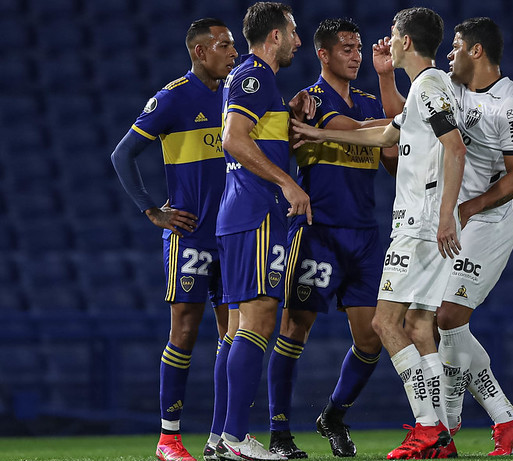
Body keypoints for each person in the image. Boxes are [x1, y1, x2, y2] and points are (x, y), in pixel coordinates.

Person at [291, 7, 466, 459]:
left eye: (393, 33)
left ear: (407, 41)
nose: (386, 39)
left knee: (384, 323)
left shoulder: (428, 88)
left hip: (420, 224)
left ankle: (426, 428)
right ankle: (442, 432)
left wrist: (446, 214)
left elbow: (455, 148)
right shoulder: (430, 89)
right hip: (430, 225)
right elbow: (387, 136)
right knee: (420, 324)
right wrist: (313, 131)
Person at [265, 17, 399, 459]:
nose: (356, 55)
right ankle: (280, 433)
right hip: (318, 233)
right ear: (323, 54)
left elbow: (395, 161)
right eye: (346, 48)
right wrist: (397, 127)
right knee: (293, 330)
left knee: (371, 339)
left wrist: (386, 84)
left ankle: (334, 415)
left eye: (358, 47)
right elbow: (359, 128)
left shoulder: (366, 100)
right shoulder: (309, 103)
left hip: (364, 235)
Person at [110, 18, 237, 461]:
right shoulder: (173, 98)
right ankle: (169, 439)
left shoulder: (239, 93)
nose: (233, 53)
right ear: (200, 52)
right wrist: (152, 210)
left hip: (234, 233)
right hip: (191, 233)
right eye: (224, 46)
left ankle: (223, 439)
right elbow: (123, 154)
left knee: (234, 335)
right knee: (183, 329)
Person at [433, 17, 513, 457]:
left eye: (455, 46)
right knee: (445, 322)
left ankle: (449, 420)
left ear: (476, 51)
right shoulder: (452, 91)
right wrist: (384, 75)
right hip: (456, 224)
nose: (448, 54)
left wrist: (471, 207)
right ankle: (505, 419)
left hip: (489, 226)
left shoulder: (510, 103)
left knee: (448, 317)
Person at [212, 3, 309, 461]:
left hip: (241, 214)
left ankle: (221, 438)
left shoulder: (255, 81)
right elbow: (233, 137)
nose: (298, 41)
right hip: (256, 213)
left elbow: (253, 131)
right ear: (274, 35)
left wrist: (285, 113)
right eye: (293, 32)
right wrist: (288, 181)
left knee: (237, 327)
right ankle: (235, 437)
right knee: (259, 319)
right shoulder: (255, 75)